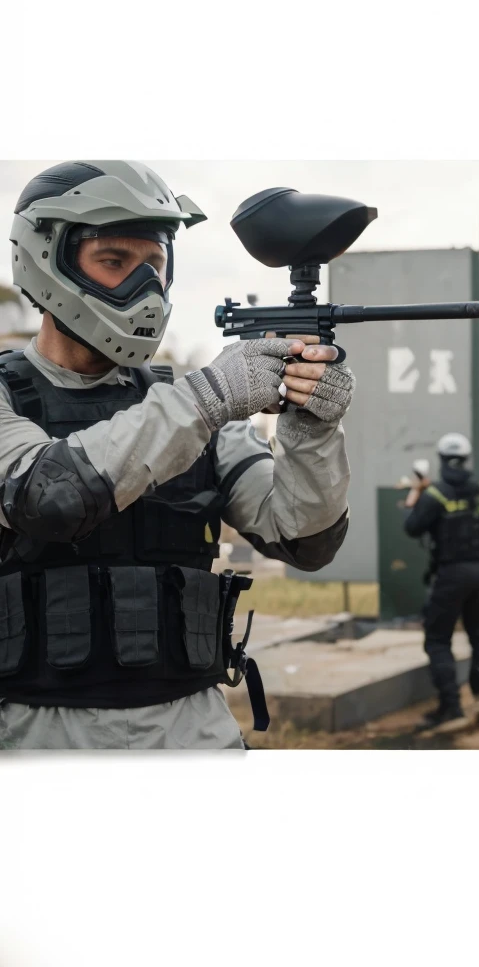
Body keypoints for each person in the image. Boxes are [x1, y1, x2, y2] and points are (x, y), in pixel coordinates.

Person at [0, 161, 356, 750]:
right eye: (114, 262)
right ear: (46, 259)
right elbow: (48, 497)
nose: (143, 288)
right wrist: (209, 397)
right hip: (35, 735)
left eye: (155, 266)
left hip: (191, 730)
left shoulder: (190, 409)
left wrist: (311, 426)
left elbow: (303, 538)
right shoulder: (13, 397)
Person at [404, 432, 479, 735]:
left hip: (451, 574)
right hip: (478, 572)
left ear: (441, 460)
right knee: (477, 636)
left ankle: (452, 707)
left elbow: (412, 527)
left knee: (438, 639)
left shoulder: (436, 494)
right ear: (466, 459)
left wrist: (418, 493)